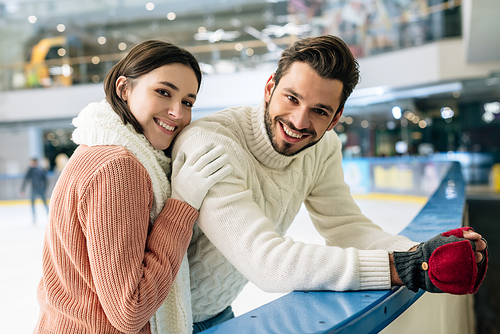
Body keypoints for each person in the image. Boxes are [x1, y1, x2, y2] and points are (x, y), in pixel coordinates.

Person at [171, 35, 488, 332]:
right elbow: (266, 261)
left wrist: (423, 254)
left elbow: (347, 227)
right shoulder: (210, 144)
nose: (298, 121)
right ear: (269, 88)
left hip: (219, 311)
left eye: (319, 111)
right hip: (162, 321)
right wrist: (406, 266)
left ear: (335, 118)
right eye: (292, 98)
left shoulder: (322, 147)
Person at [33, 40, 232, 334]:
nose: (177, 112)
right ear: (124, 89)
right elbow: (130, 310)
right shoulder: (119, 168)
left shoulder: (97, 147)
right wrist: (183, 203)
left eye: (188, 102)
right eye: (163, 92)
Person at [20, 158, 49, 224]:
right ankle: (34, 217)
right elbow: (25, 180)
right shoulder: (30, 170)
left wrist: (44, 189)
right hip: (33, 189)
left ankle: (49, 215)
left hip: (40, 189)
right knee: (32, 203)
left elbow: (46, 181)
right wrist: (22, 189)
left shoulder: (40, 170)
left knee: (45, 203)